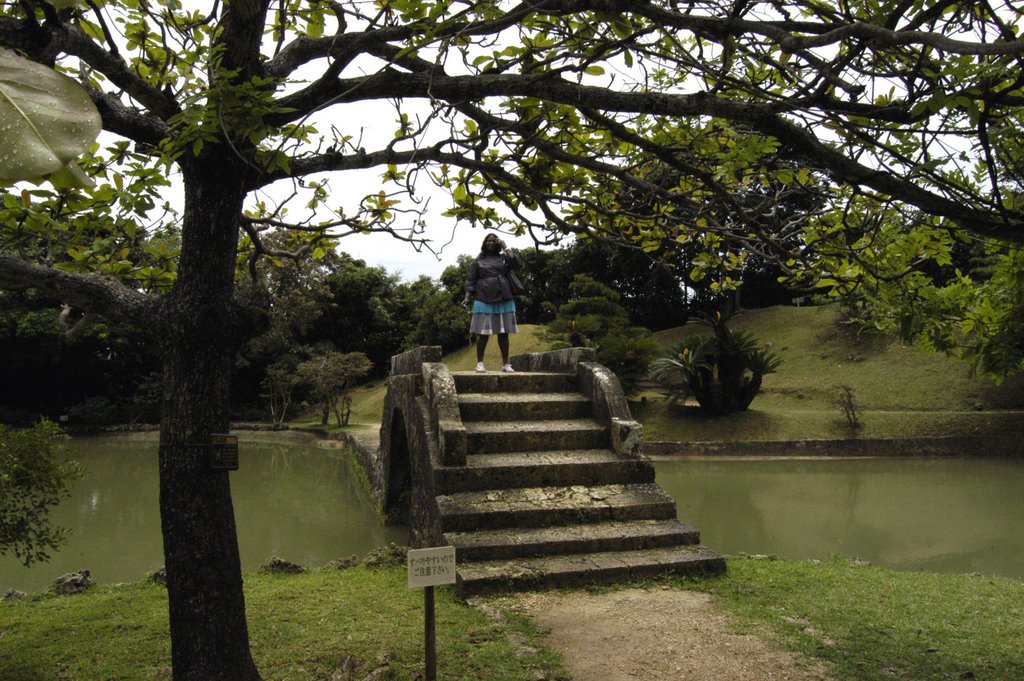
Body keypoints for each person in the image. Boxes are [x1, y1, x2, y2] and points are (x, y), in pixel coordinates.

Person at [463, 233, 521, 373]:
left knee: (503, 333)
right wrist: (467, 296)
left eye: (493, 241)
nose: (490, 243)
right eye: (488, 241)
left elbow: (516, 263)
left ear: (498, 243)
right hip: (483, 297)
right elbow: (471, 279)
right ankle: (480, 363)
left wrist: (505, 247)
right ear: (484, 243)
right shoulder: (478, 260)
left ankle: (506, 364)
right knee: (482, 333)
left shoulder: (504, 258)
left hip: (503, 297)